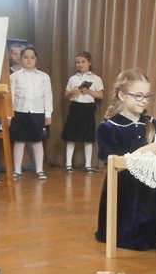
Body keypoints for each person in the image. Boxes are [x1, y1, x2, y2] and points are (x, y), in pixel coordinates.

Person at [94, 68, 156, 250]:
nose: (144, 100)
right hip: (126, 194)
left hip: (152, 192)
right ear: (122, 96)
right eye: (138, 96)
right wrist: (144, 151)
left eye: (147, 96)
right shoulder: (108, 128)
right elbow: (112, 163)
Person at [8, 45, 52, 180]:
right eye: (26, 57)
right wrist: (9, 115)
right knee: (19, 141)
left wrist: (48, 113)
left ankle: (39, 169)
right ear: (21, 59)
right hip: (19, 112)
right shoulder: (14, 76)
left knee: (37, 141)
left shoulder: (44, 77)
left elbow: (48, 96)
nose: (29, 60)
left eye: (32, 57)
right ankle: (17, 170)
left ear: (36, 59)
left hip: (37, 112)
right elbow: (11, 96)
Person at [61, 51, 104, 173]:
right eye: (78, 62)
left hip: (88, 108)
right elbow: (66, 94)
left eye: (83, 61)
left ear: (89, 62)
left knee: (88, 137)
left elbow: (100, 95)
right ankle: (68, 164)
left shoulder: (96, 78)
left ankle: (88, 164)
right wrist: (72, 92)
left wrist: (89, 91)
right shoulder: (73, 78)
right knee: (71, 136)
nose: (80, 64)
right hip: (75, 107)